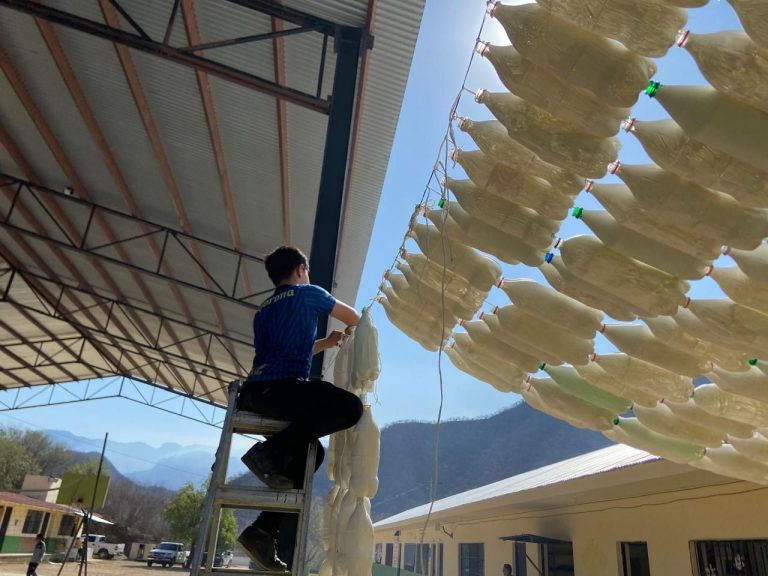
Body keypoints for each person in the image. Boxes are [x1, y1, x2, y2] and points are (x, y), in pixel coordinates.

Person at [236, 246, 363, 571]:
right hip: (282, 389)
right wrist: (355, 329)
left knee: (312, 454)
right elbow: (355, 318)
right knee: (350, 408)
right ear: (300, 270)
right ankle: (269, 451)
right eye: (306, 271)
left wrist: (327, 343)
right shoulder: (308, 293)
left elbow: (284, 352)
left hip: (256, 392)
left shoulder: (264, 310)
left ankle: (262, 531)